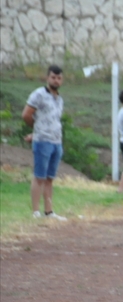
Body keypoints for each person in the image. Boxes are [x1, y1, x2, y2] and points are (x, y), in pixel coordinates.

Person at [22, 64, 67, 220]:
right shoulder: (39, 94)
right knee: (39, 176)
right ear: (48, 78)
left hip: (56, 141)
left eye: (59, 78)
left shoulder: (59, 99)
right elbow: (27, 114)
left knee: (49, 178)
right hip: (43, 141)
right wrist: (37, 131)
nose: (56, 80)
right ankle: (35, 211)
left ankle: (49, 211)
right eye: (53, 77)